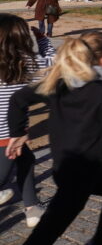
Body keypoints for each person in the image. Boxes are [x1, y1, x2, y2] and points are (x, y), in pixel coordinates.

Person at [6, 32, 102, 245]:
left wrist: (18, 132)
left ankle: (100, 239)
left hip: (66, 168)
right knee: (43, 237)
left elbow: (18, 99)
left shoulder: (60, 83)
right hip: (81, 176)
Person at [0, 15, 55, 228]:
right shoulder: (29, 62)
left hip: (13, 135)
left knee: (27, 160)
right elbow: (54, 63)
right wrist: (43, 40)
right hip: (10, 134)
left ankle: (32, 207)